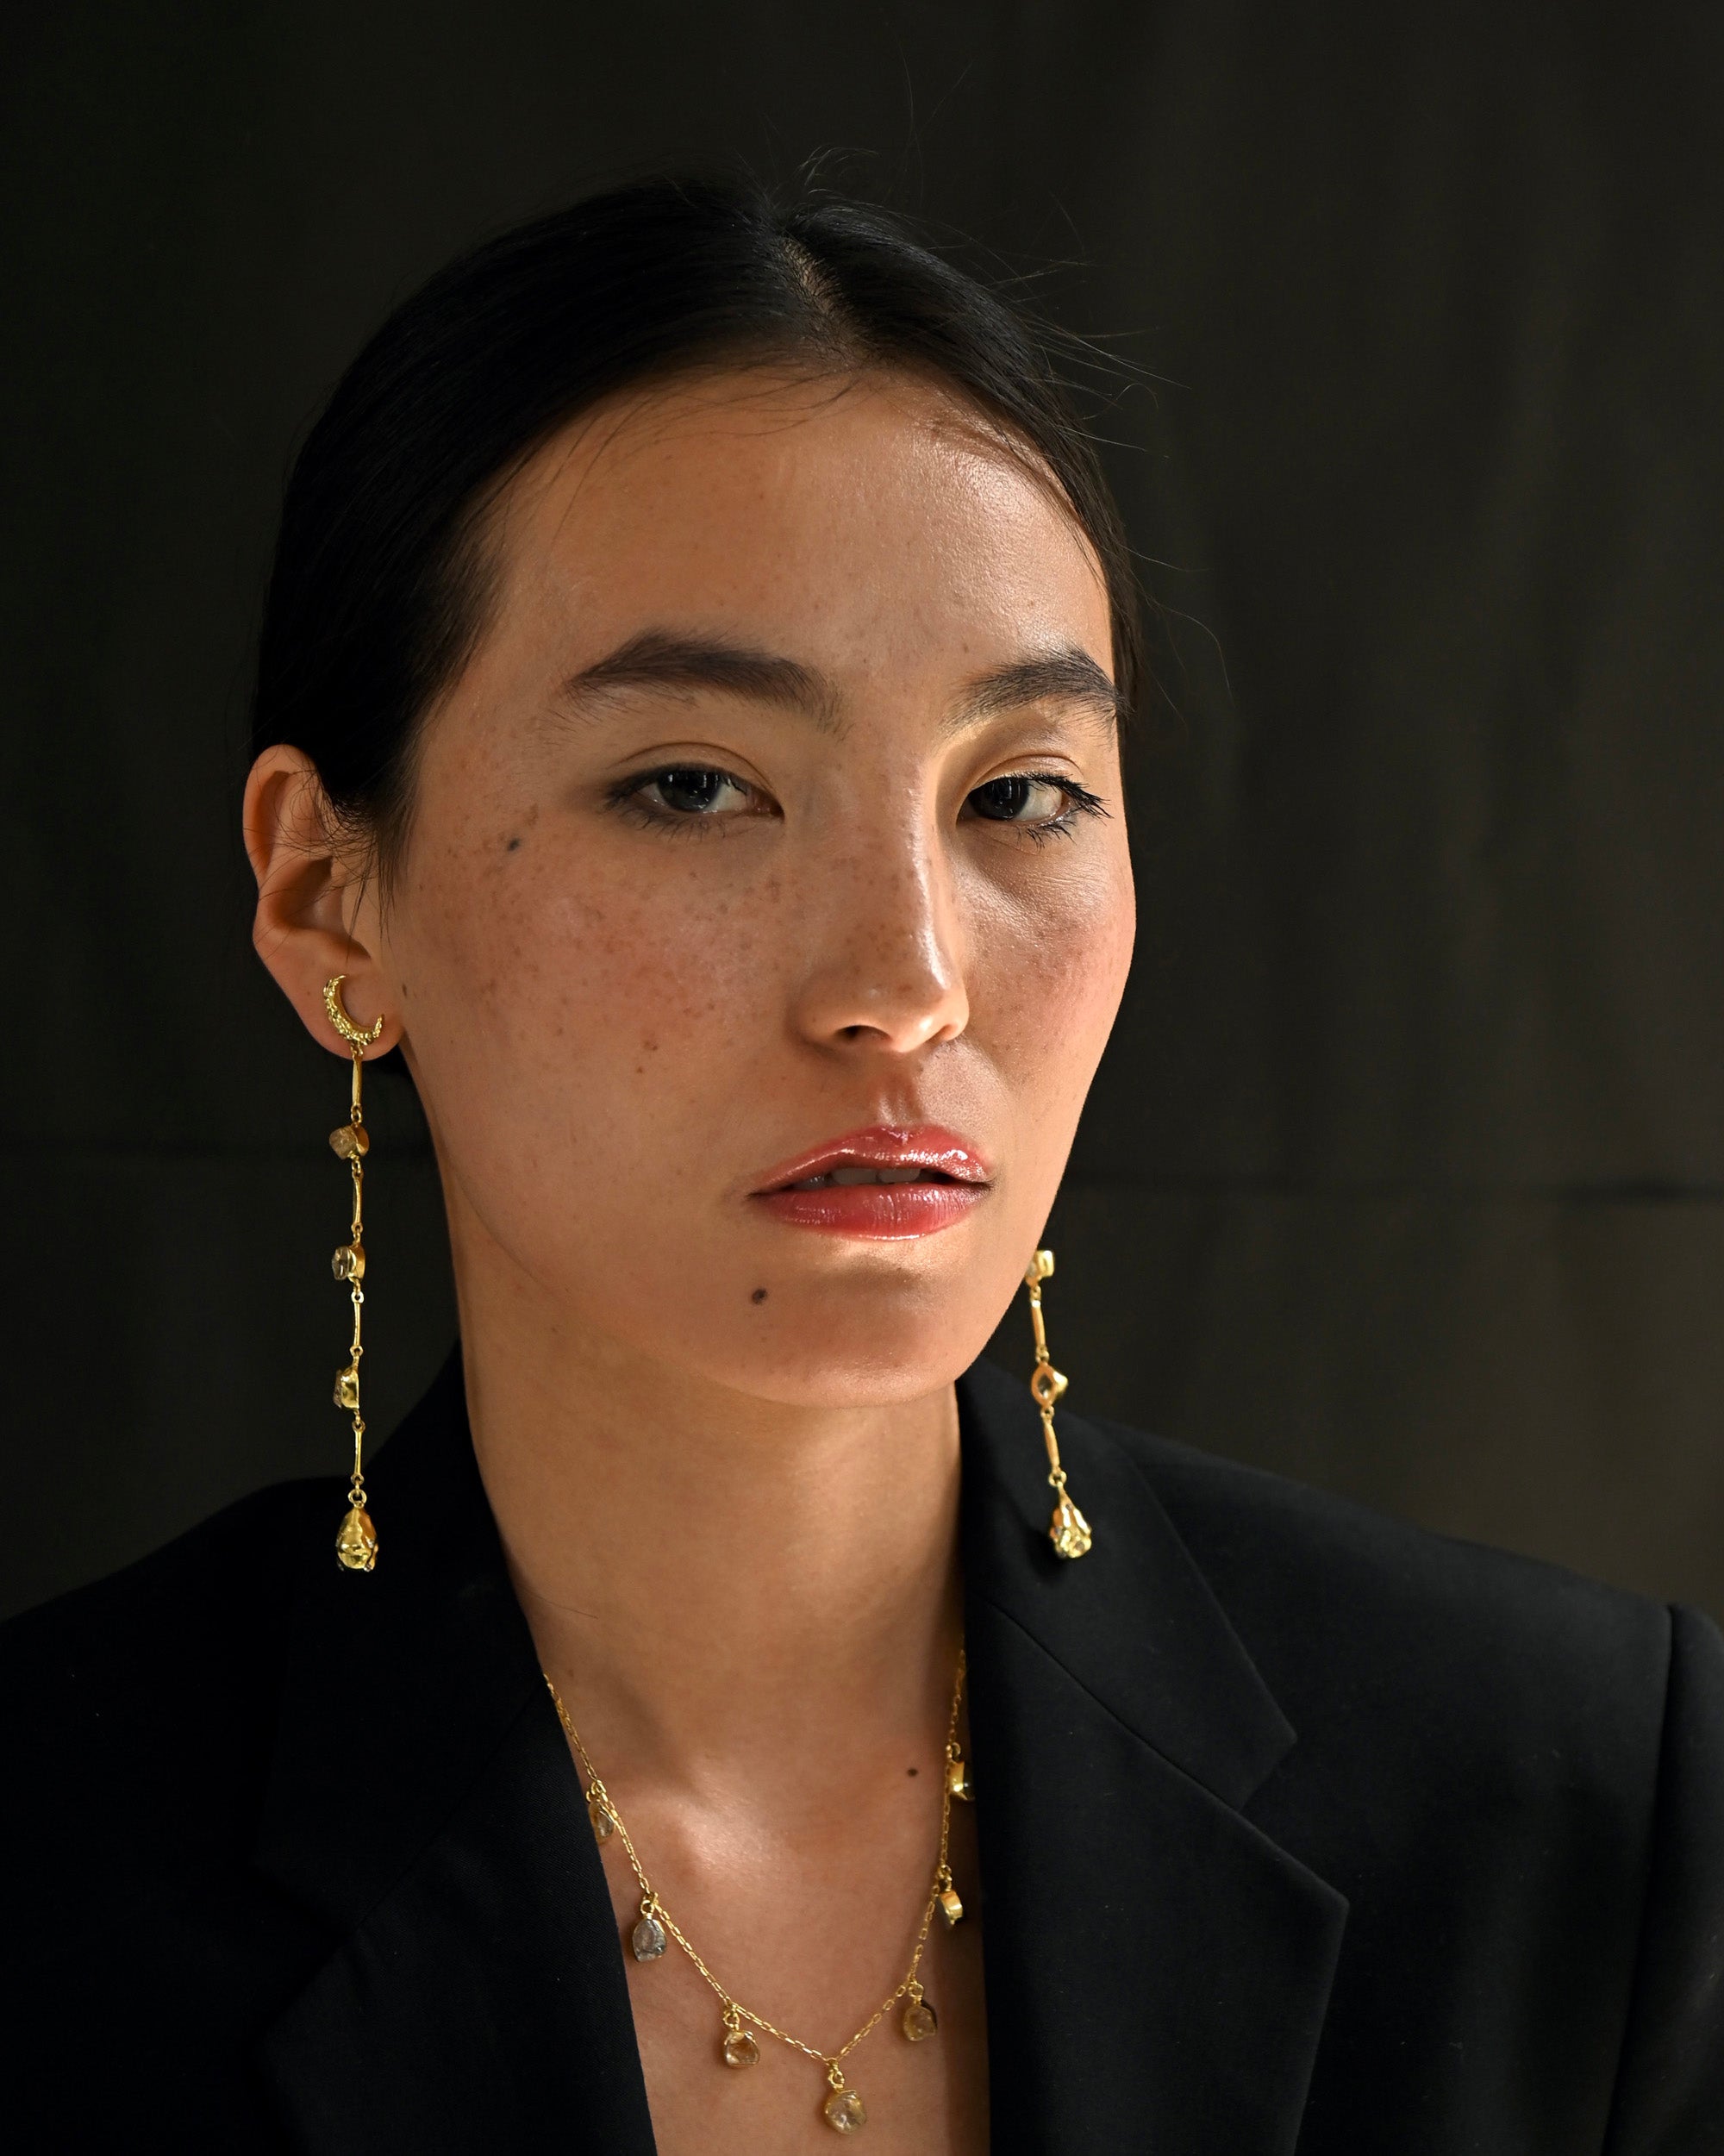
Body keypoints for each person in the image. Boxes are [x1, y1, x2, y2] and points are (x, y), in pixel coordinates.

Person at [2, 175, 1721, 2156]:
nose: (904, 983)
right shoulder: (51, 1864)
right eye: (692, 786)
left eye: (1020, 794)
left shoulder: (1579, 1811)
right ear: (328, 895)